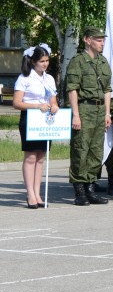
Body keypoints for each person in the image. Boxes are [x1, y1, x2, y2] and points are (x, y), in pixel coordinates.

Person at [65, 26, 113, 205]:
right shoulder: (78, 61)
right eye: (98, 39)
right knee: (81, 149)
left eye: (103, 40)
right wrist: (75, 114)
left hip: (100, 110)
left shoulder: (103, 61)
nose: (102, 43)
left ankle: (91, 187)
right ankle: (80, 191)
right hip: (85, 108)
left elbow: (107, 89)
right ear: (87, 40)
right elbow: (72, 89)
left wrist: (108, 112)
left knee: (95, 150)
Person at [14, 44, 60, 208]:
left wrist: (54, 106)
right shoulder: (25, 78)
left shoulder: (49, 78)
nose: (45, 64)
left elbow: (53, 99)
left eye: (47, 60)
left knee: (41, 157)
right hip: (30, 118)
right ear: (33, 62)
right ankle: (30, 194)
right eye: (42, 61)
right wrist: (36, 106)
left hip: (45, 119)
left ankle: (37, 192)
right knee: (31, 156)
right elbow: (17, 103)